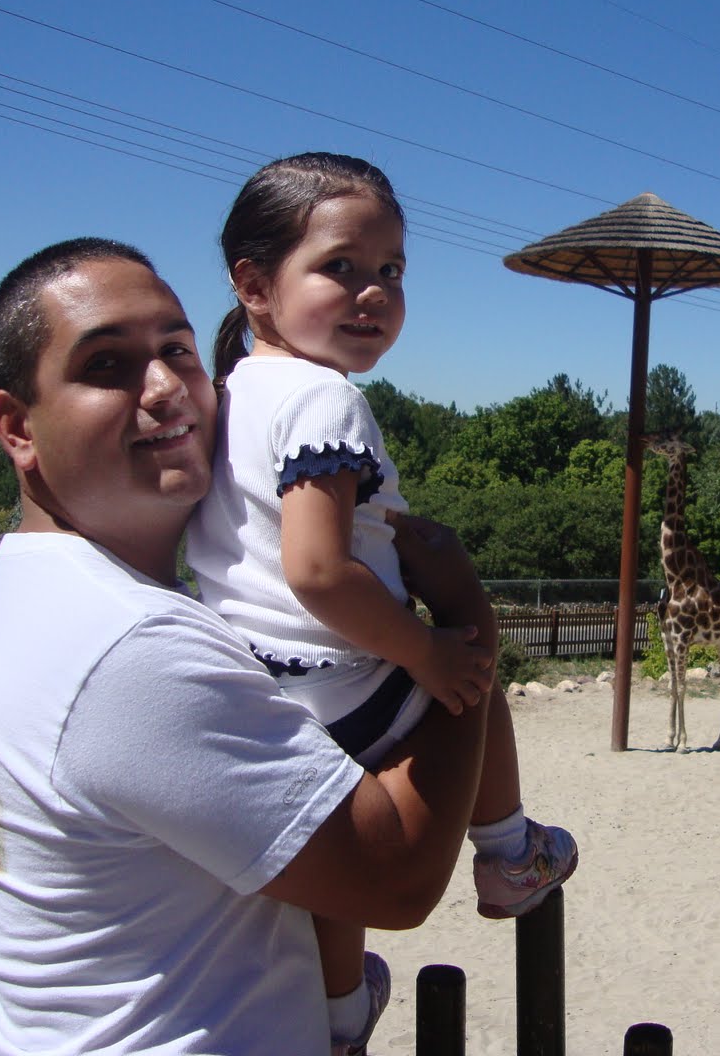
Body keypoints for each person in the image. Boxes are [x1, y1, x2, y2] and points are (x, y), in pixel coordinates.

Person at [0, 237, 495, 1054]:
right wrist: (466, 627)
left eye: (177, 351)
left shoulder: (41, 585)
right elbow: (395, 878)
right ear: (17, 426)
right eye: (106, 365)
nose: (164, 388)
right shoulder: (134, 646)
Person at [186, 153, 577, 1052]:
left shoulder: (230, 394)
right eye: (341, 267)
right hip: (346, 677)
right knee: (475, 684)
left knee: (337, 873)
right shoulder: (325, 399)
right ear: (255, 284)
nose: (374, 294)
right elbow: (319, 572)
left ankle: (338, 1020)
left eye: (391, 271)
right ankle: (510, 853)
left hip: (262, 692)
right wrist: (424, 650)